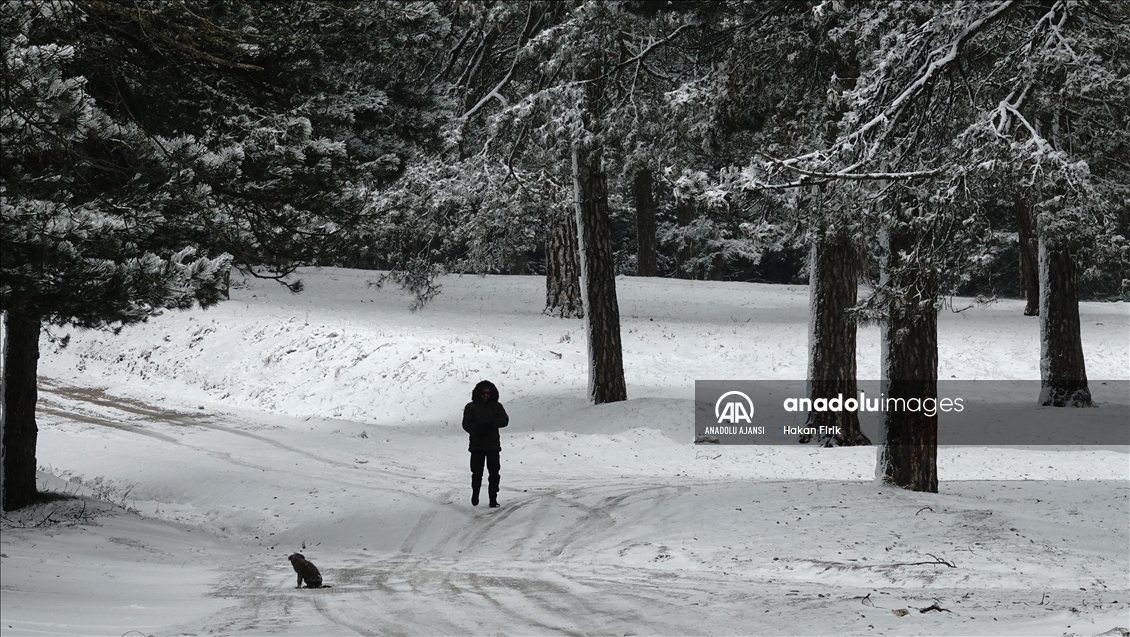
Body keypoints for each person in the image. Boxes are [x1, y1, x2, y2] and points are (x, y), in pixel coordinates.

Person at [462, 380, 508, 507]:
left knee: (494, 473)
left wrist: (491, 424)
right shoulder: (470, 407)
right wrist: (476, 430)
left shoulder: (497, 407)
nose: (486, 395)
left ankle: (493, 499)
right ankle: (475, 493)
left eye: (488, 393)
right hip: (477, 446)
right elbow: (466, 424)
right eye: (483, 393)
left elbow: (505, 420)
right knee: (477, 473)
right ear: (478, 394)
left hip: (493, 446)